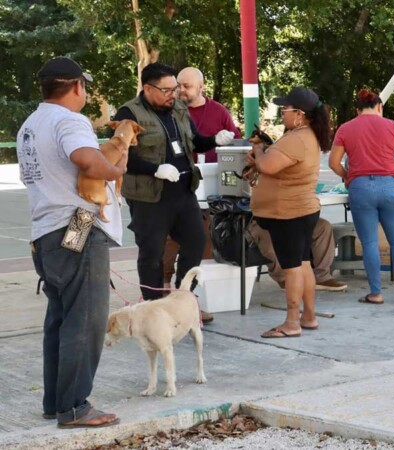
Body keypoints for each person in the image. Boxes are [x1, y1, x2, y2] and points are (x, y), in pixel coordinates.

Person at [18, 57, 124, 428]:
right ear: (77, 86)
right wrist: (116, 170)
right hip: (76, 225)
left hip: (46, 231)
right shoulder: (69, 120)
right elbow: (87, 160)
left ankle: (56, 402)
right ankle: (75, 407)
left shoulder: (30, 125)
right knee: (86, 318)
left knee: (62, 317)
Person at [113, 62, 234, 304]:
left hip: (183, 192)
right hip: (150, 197)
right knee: (152, 253)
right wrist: (155, 169)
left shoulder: (178, 108)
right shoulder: (129, 114)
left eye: (174, 88)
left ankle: (183, 296)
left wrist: (215, 140)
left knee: (196, 240)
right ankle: (153, 304)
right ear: (148, 89)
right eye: (166, 90)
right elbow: (120, 155)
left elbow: (195, 141)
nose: (173, 94)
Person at [329, 89, 394, 305]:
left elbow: (333, 163)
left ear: (357, 110)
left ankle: (375, 293)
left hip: (360, 189)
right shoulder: (392, 126)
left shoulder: (345, 129)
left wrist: (348, 176)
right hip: (389, 186)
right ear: (379, 107)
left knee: (370, 244)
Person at [247, 87, 331, 338]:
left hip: (288, 213)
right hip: (300, 210)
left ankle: (292, 322)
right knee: (303, 264)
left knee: (292, 268)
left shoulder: (297, 138)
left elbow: (267, 165)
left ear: (300, 114)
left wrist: (259, 150)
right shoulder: (305, 135)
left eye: (285, 109)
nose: (282, 113)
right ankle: (308, 316)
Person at [161, 67, 243, 309]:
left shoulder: (218, 111)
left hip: (207, 185)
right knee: (170, 238)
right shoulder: (170, 110)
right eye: (178, 86)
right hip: (175, 183)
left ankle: (194, 295)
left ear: (201, 87)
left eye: (187, 86)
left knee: (203, 236)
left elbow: (235, 143)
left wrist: (224, 139)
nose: (181, 91)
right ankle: (163, 287)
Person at [247, 218, 348, 291]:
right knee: (269, 233)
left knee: (323, 226)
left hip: (294, 216)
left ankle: (322, 276)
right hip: (261, 219)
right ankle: (283, 277)